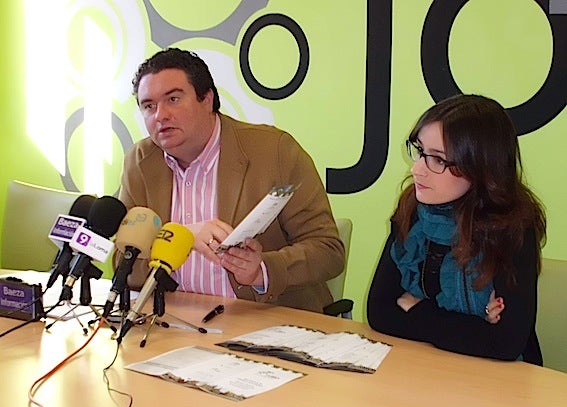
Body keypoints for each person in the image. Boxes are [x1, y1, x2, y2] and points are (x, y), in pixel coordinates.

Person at [118, 48, 344, 312]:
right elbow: (124, 264)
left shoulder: (274, 151)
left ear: (207, 99)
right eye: (149, 106)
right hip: (169, 319)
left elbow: (328, 250)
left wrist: (262, 270)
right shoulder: (140, 162)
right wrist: (180, 237)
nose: (160, 115)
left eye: (173, 99)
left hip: (262, 319)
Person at [366, 94, 546, 364]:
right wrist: (472, 326)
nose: (417, 170)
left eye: (438, 160)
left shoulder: (513, 226)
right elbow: (379, 312)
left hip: (499, 378)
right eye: (420, 151)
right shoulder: (413, 208)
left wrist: (416, 308)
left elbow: (505, 343)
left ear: (480, 167)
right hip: (425, 366)